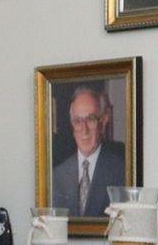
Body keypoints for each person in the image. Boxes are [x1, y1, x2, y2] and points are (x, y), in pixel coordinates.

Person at [50, 85, 126, 217]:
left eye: (90, 119)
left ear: (102, 122)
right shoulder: (58, 176)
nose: (84, 130)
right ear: (72, 125)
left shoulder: (121, 171)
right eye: (77, 121)